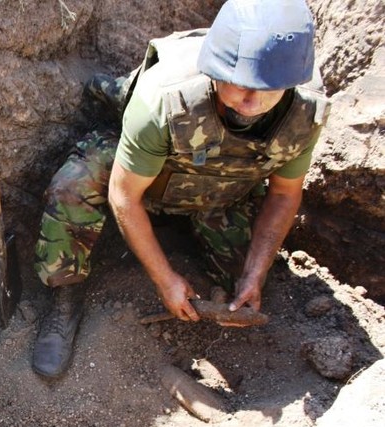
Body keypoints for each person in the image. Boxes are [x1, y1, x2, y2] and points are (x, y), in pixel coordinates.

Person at [31, 0, 330, 378]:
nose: (253, 104)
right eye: (241, 87)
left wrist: (254, 274)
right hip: (149, 175)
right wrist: (164, 279)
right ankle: (64, 296)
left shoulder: (304, 111)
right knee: (74, 186)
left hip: (221, 191)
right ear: (217, 69)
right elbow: (124, 196)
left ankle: (199, 245)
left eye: (269, 91)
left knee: (244, 287)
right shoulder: (165, 98)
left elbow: (285, 194)